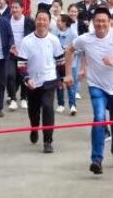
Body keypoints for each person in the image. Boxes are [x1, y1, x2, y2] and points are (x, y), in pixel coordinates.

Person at [64, 8, 113, 175]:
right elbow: (69, 50)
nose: (101, 24)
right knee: (99, 118)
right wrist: (68, 74)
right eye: (97, 21)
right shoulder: (85, 39)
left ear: (110, 22)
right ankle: (96, 160)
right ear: (93, 22)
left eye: (104, 21)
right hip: (96, 86)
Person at [17, 10, 65, 153]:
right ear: (35, 20)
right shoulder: (27, 41)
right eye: (39, 19)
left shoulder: (54, 40)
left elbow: (60, 61)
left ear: (49, 22)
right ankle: (34, 127)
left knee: (48, 107)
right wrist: (27, 78)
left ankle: (48, 140)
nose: (41, 22)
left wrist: (62, 78)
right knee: (34, 111)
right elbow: (21, 64)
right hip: (32, 82)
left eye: (45, 19)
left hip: (49, 80)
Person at [7, 0, 34, 110]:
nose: (14, 10)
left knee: (23, 76)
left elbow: (34, 36)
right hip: (11, 54)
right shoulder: (7, 20)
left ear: (22, 9)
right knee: (10, 75)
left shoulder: (29, 21)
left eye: (16, 7)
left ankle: (23, 98)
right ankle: (13, 99)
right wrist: (11, 46)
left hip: (24, 54)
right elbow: (4, 36)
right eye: (12, 7)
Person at [53, 14, 79, 115]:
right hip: (58, 62)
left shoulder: (73, 33)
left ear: (64, 22)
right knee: (59, 83)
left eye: (59, 21)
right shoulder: (55, 32)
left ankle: (72, 105)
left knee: (70, 84)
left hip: (70, 63)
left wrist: (67, 50)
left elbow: (78, 49)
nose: (57, 22)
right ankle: (61, 104)